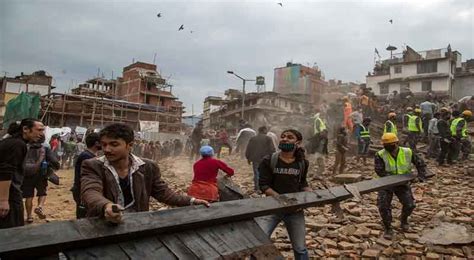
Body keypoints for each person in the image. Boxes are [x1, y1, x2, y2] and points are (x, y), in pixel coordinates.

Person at [80, 123, 210, 223]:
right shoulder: (92, 165)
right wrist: (106, 206)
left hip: (138, 224)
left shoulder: (148, 167)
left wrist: (191, 201)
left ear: (129, 145)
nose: (107, 149)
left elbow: (163, 193)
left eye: (114, 144)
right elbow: (90, 191)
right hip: (103, 225)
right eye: (104, 145)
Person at [257, 129, 311, 260]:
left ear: (297, 142)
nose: (284, 139)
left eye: (290, 137)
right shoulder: (269, 160)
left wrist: (309, 195)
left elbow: (302, 182)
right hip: (271, 208)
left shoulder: (302, 163)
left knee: (300, 248)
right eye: (283, 136)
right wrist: (281, 200)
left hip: (295, 210)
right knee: (258, 243)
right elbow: (264, 185)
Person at [375, 133, 427, 240]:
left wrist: (421, 176)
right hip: (386, 183)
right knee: (383, 206)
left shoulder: (407, 152)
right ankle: (388, 227)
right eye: (385, 145)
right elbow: (379, 170)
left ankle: (404, 220)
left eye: (390, 145)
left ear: (396, 143)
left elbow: (420, 163)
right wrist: (393, 178)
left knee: (410, 204)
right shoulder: (380, 154)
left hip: (402, 183)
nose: (387, 147)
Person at [0, 119, 45, 229]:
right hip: (10, 195)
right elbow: (5, 172)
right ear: (25, 129)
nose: (41, 134)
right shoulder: (17, 144)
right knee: (12, 233)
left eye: (43, 130)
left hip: (11, 193)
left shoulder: (12, 142)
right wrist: (3, 200)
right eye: (38, 130)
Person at [21, 136, 60, 223]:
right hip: (41, 174)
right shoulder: (45, 148)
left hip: (27, 175)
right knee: (42, 192)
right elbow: (54, 161)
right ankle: (39, 207)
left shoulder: (24, 146)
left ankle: (29, 216)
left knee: (28, 196)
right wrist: (55, 167)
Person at [72, 133, 101, 219]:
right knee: (84, 217)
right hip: (83, 190)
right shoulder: (87, 157)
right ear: (96, 143)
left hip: (82, 189)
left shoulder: (88, 155)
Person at [245, 126, 275, 191]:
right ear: (264, 130)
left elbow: (249, 149)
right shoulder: (268, 138)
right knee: (266, 173)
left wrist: (248, 158)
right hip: (266, 159)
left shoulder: (253, 138)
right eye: (266, 130)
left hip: (255, 159)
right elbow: (272, 149)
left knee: (257, 173)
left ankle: (257, 188)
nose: (267, 131)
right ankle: (265, 188)